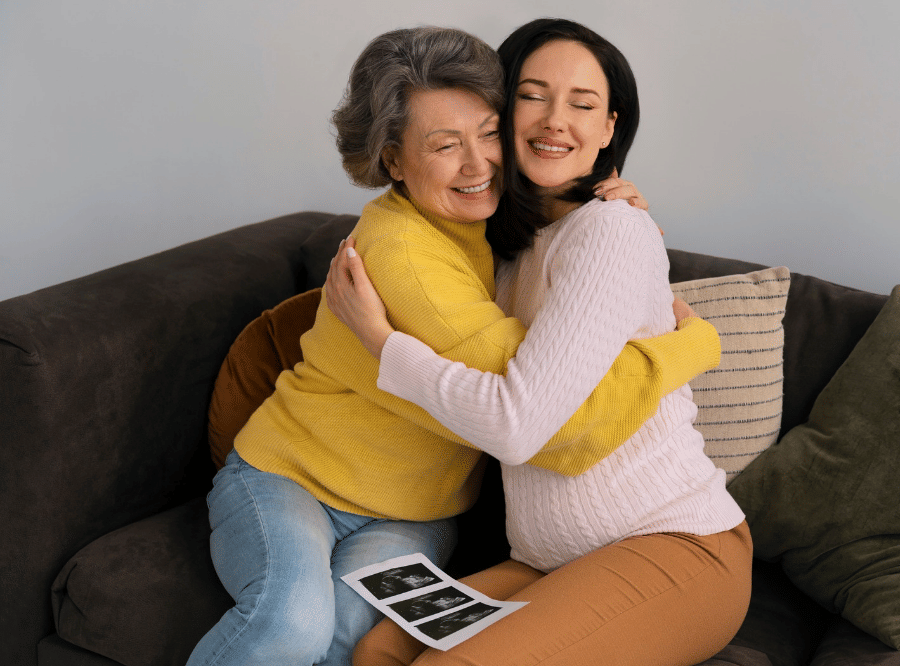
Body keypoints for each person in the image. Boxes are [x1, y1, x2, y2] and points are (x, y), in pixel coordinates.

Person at [186, 25, 720, 666]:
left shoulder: (502, 225)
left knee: (349, 643)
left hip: (417, 511)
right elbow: (550, 427)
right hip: (295, 479)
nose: (478, 163)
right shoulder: (407, 253)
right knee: (296, 624)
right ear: (392, 161)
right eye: (444, 145)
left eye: (487, 133)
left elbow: (592, 256)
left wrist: (627, 235)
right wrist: (692, 345)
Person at [329, 19, 752, 666]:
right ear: (500, 111)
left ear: (609, 129)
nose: (557, 119)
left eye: (583, 104)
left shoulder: (610, 230)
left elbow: (517, 425)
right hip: (549, 563)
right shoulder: (503, 249)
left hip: (678, 545)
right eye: (534, 95)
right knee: (379, 649)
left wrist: (384, 345)